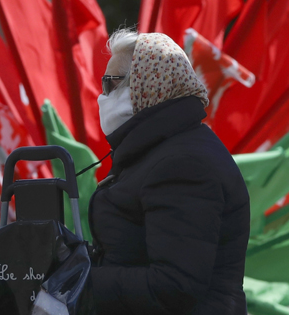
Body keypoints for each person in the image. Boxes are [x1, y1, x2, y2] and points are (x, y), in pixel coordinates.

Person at [89, 30, 250, 315]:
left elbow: (175, 284)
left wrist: (83, 281)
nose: (102, 96)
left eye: (110, 83)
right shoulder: (159, 149)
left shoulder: (183, 163)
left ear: (146, 84)